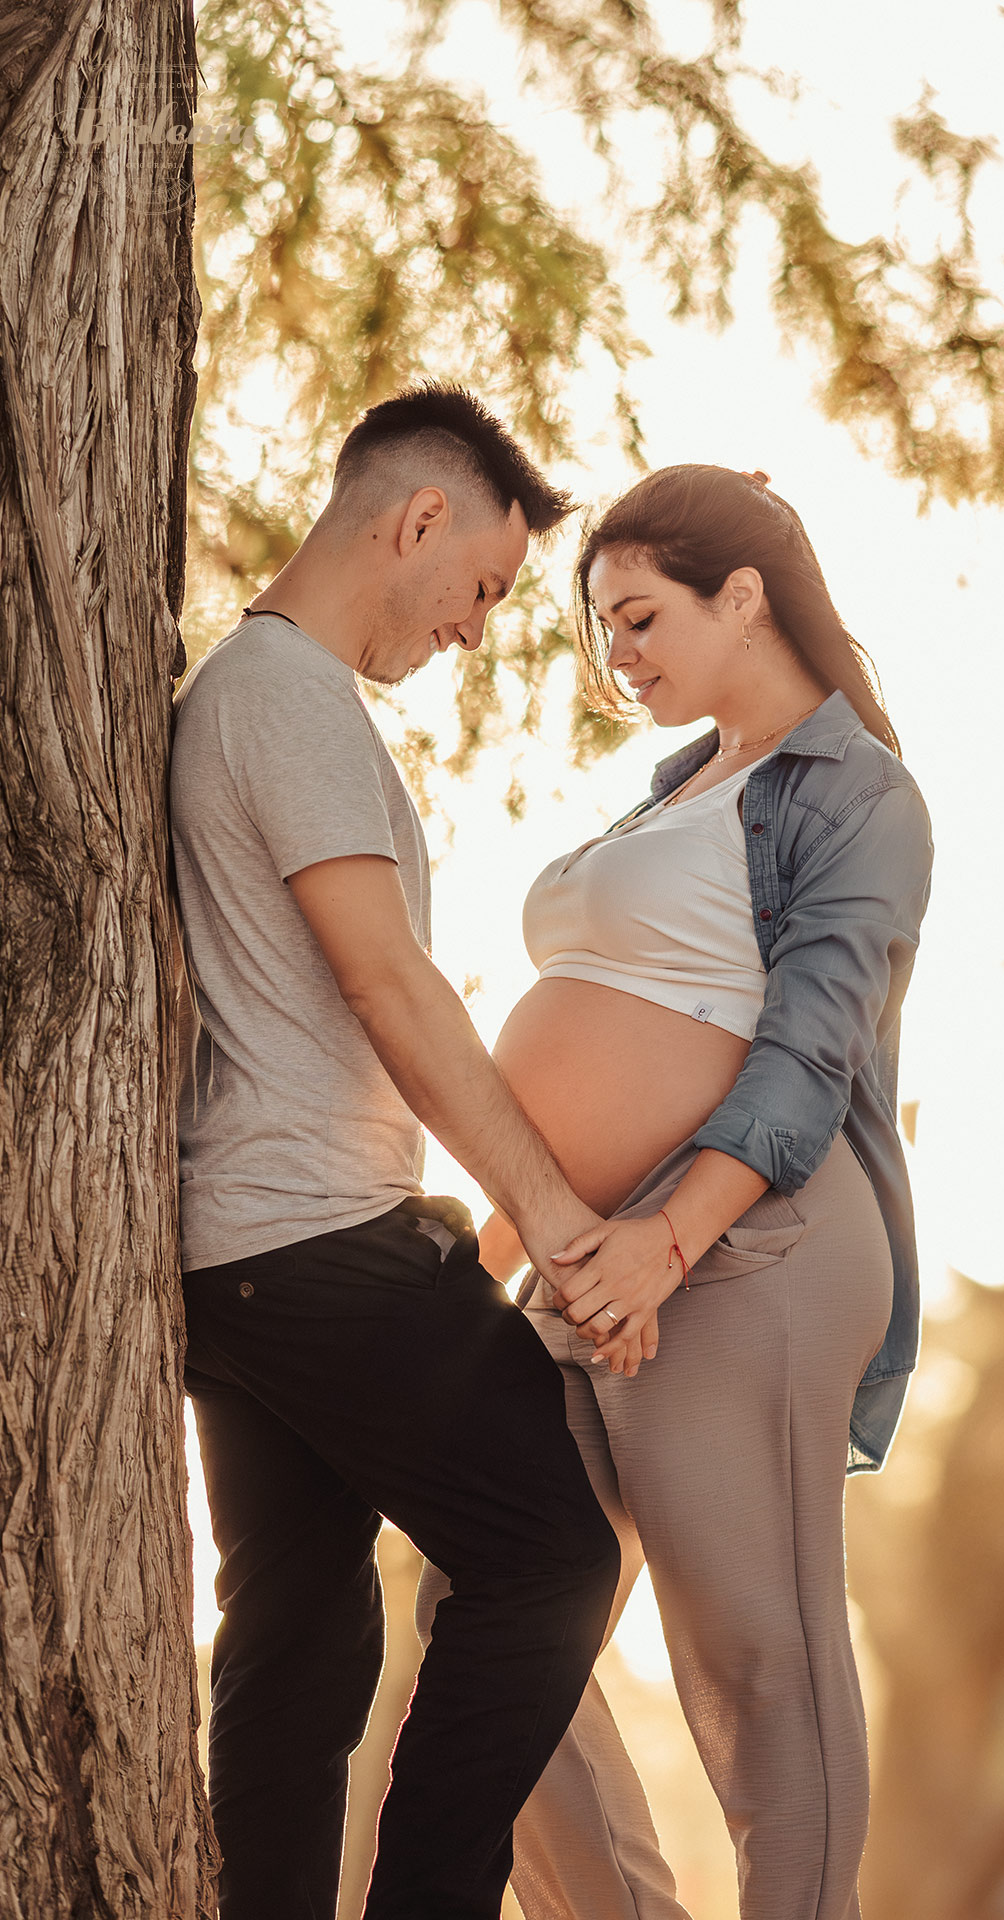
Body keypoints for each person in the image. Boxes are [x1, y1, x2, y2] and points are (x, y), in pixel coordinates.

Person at [417, 463, 934, 1919]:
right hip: (586, 1252)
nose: (615, 657)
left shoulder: (860, 797)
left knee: (758, 1669)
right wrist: (542, 1236)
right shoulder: (679, 789)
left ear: (745, 596)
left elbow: (806, 1054)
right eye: (601, 630)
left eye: (639, 618)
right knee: (488, 1614)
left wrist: (663, 1242)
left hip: (749, 1249)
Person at [171, 384, 621, 1920]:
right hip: (315, 1241)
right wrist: (549, 1211)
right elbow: (390, 982)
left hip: (243, 1264)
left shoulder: (254, 690)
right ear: (417, 520)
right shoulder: (285, 694)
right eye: (484, 586)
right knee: (553, 1559)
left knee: (301, 1646)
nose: (478, 628)